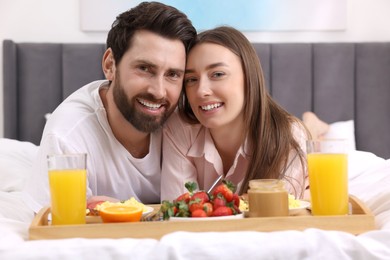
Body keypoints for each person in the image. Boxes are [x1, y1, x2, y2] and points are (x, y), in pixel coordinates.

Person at [23, 1, 196, 212]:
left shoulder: (190, 120)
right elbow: (55, 227)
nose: (159, 91)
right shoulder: (67, 136)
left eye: (173, 74)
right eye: (144, 68)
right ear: (110, 65)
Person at [161, 26, 310, 201]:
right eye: (191, 79)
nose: (201, 91)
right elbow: (178, 211)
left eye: (217, 74)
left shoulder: (287, 136)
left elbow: (276, 214)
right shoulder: (179, 128)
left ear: (249, 77)